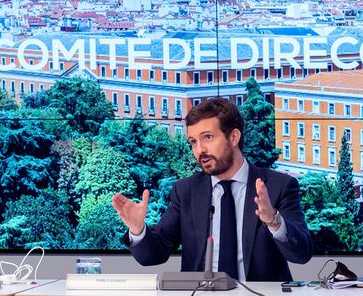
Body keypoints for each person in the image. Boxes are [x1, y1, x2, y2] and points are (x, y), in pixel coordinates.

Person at [112, 97, 313, 282]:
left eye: (207, 137)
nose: (200, 150)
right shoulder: (186, 191)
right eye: (193, 142)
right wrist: (138, 230)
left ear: (233, 137)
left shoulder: (278, 187)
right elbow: (154, 254)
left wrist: (273, 220)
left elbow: (302, 254)